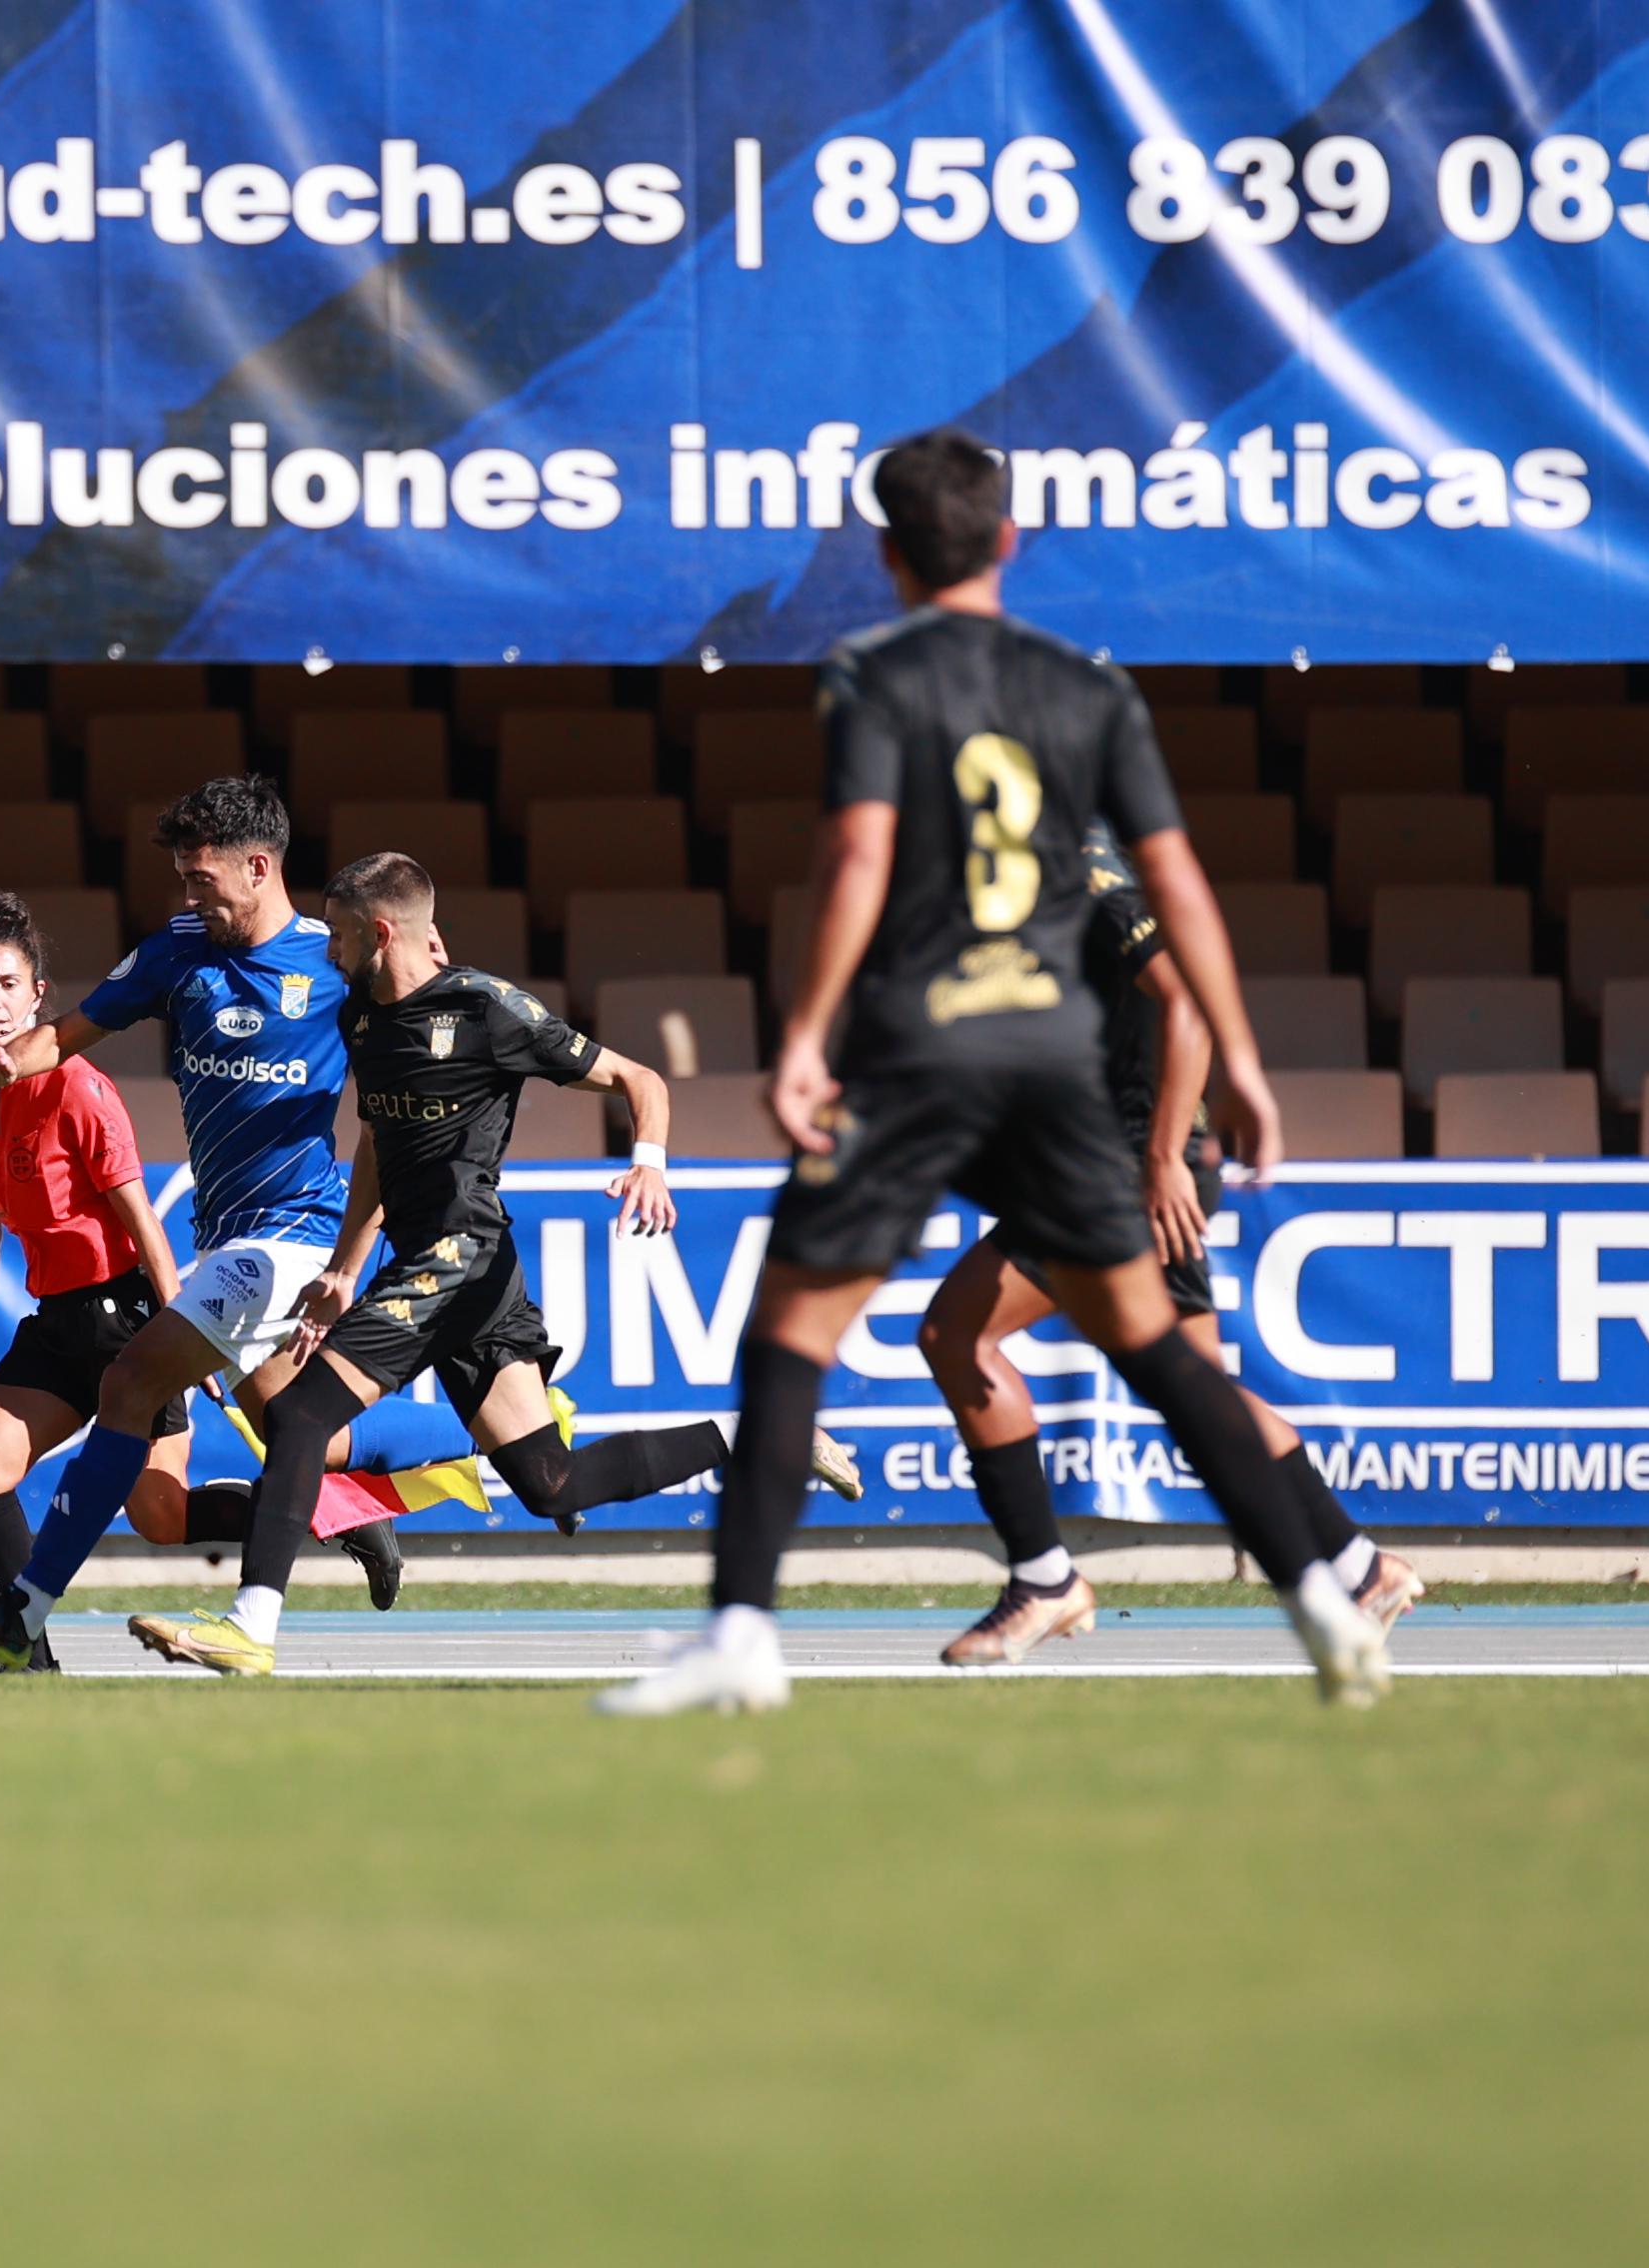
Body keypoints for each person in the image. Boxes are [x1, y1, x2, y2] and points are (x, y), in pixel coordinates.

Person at [596, 426, 1394, 1718]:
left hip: (921, 1053)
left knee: (792, 1331)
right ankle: (1324, 1596)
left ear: (887, 554)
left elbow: (860, 859)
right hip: (1053, 1066)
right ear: (1009, 539)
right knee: (1158, 1350)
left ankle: (741, 1632)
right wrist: (1243, 1061)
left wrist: (804, 1037)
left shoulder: (871, 673)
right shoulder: (1091, 690)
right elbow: (1181, 880)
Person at [128, 852, 864, 1676]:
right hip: (451, 1269)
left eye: (337, 934)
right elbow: (375, 1142)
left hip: (461, 1257)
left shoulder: (487, 1009)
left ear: (380, 932)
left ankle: (250, 1628)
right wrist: (344, 1267)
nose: (328, 950)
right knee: (551, 1484)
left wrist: (649, 1162)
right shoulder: (362, 1018)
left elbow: (640, 1077)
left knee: (300, 1415)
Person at [0, 776, 491, 1672]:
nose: (189, 896)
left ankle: (22, 1616)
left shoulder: (333, 961)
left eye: (201, 879)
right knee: (303, 1429)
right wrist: (7, 1063)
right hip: (226, 1240)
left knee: (131, 1385)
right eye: (184, 878)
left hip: (293, 1234)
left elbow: (415, 1060)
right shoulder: (178, 951)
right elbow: (64, 1034)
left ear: (258, 868)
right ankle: (495, 1430)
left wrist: (366, 1239)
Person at [916, 825, 1425, 1667]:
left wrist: (1160, 1158)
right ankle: (1360, 1568)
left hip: (1125, 1171)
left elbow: (1184, 999)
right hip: (1134, 1162)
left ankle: (1044, 1578)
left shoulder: (1082, 871)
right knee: (1200, 1395)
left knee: (957, 1334)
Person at [0, 893, 399, 1671]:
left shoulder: (77, 1086)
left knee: (160, 1516)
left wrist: (181, 1321)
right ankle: (27, 1662)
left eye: (8, 984)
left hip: (125, 1312)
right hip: (57, 1322)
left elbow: (144, 1222)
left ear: (38, 994)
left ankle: (335, 1510)